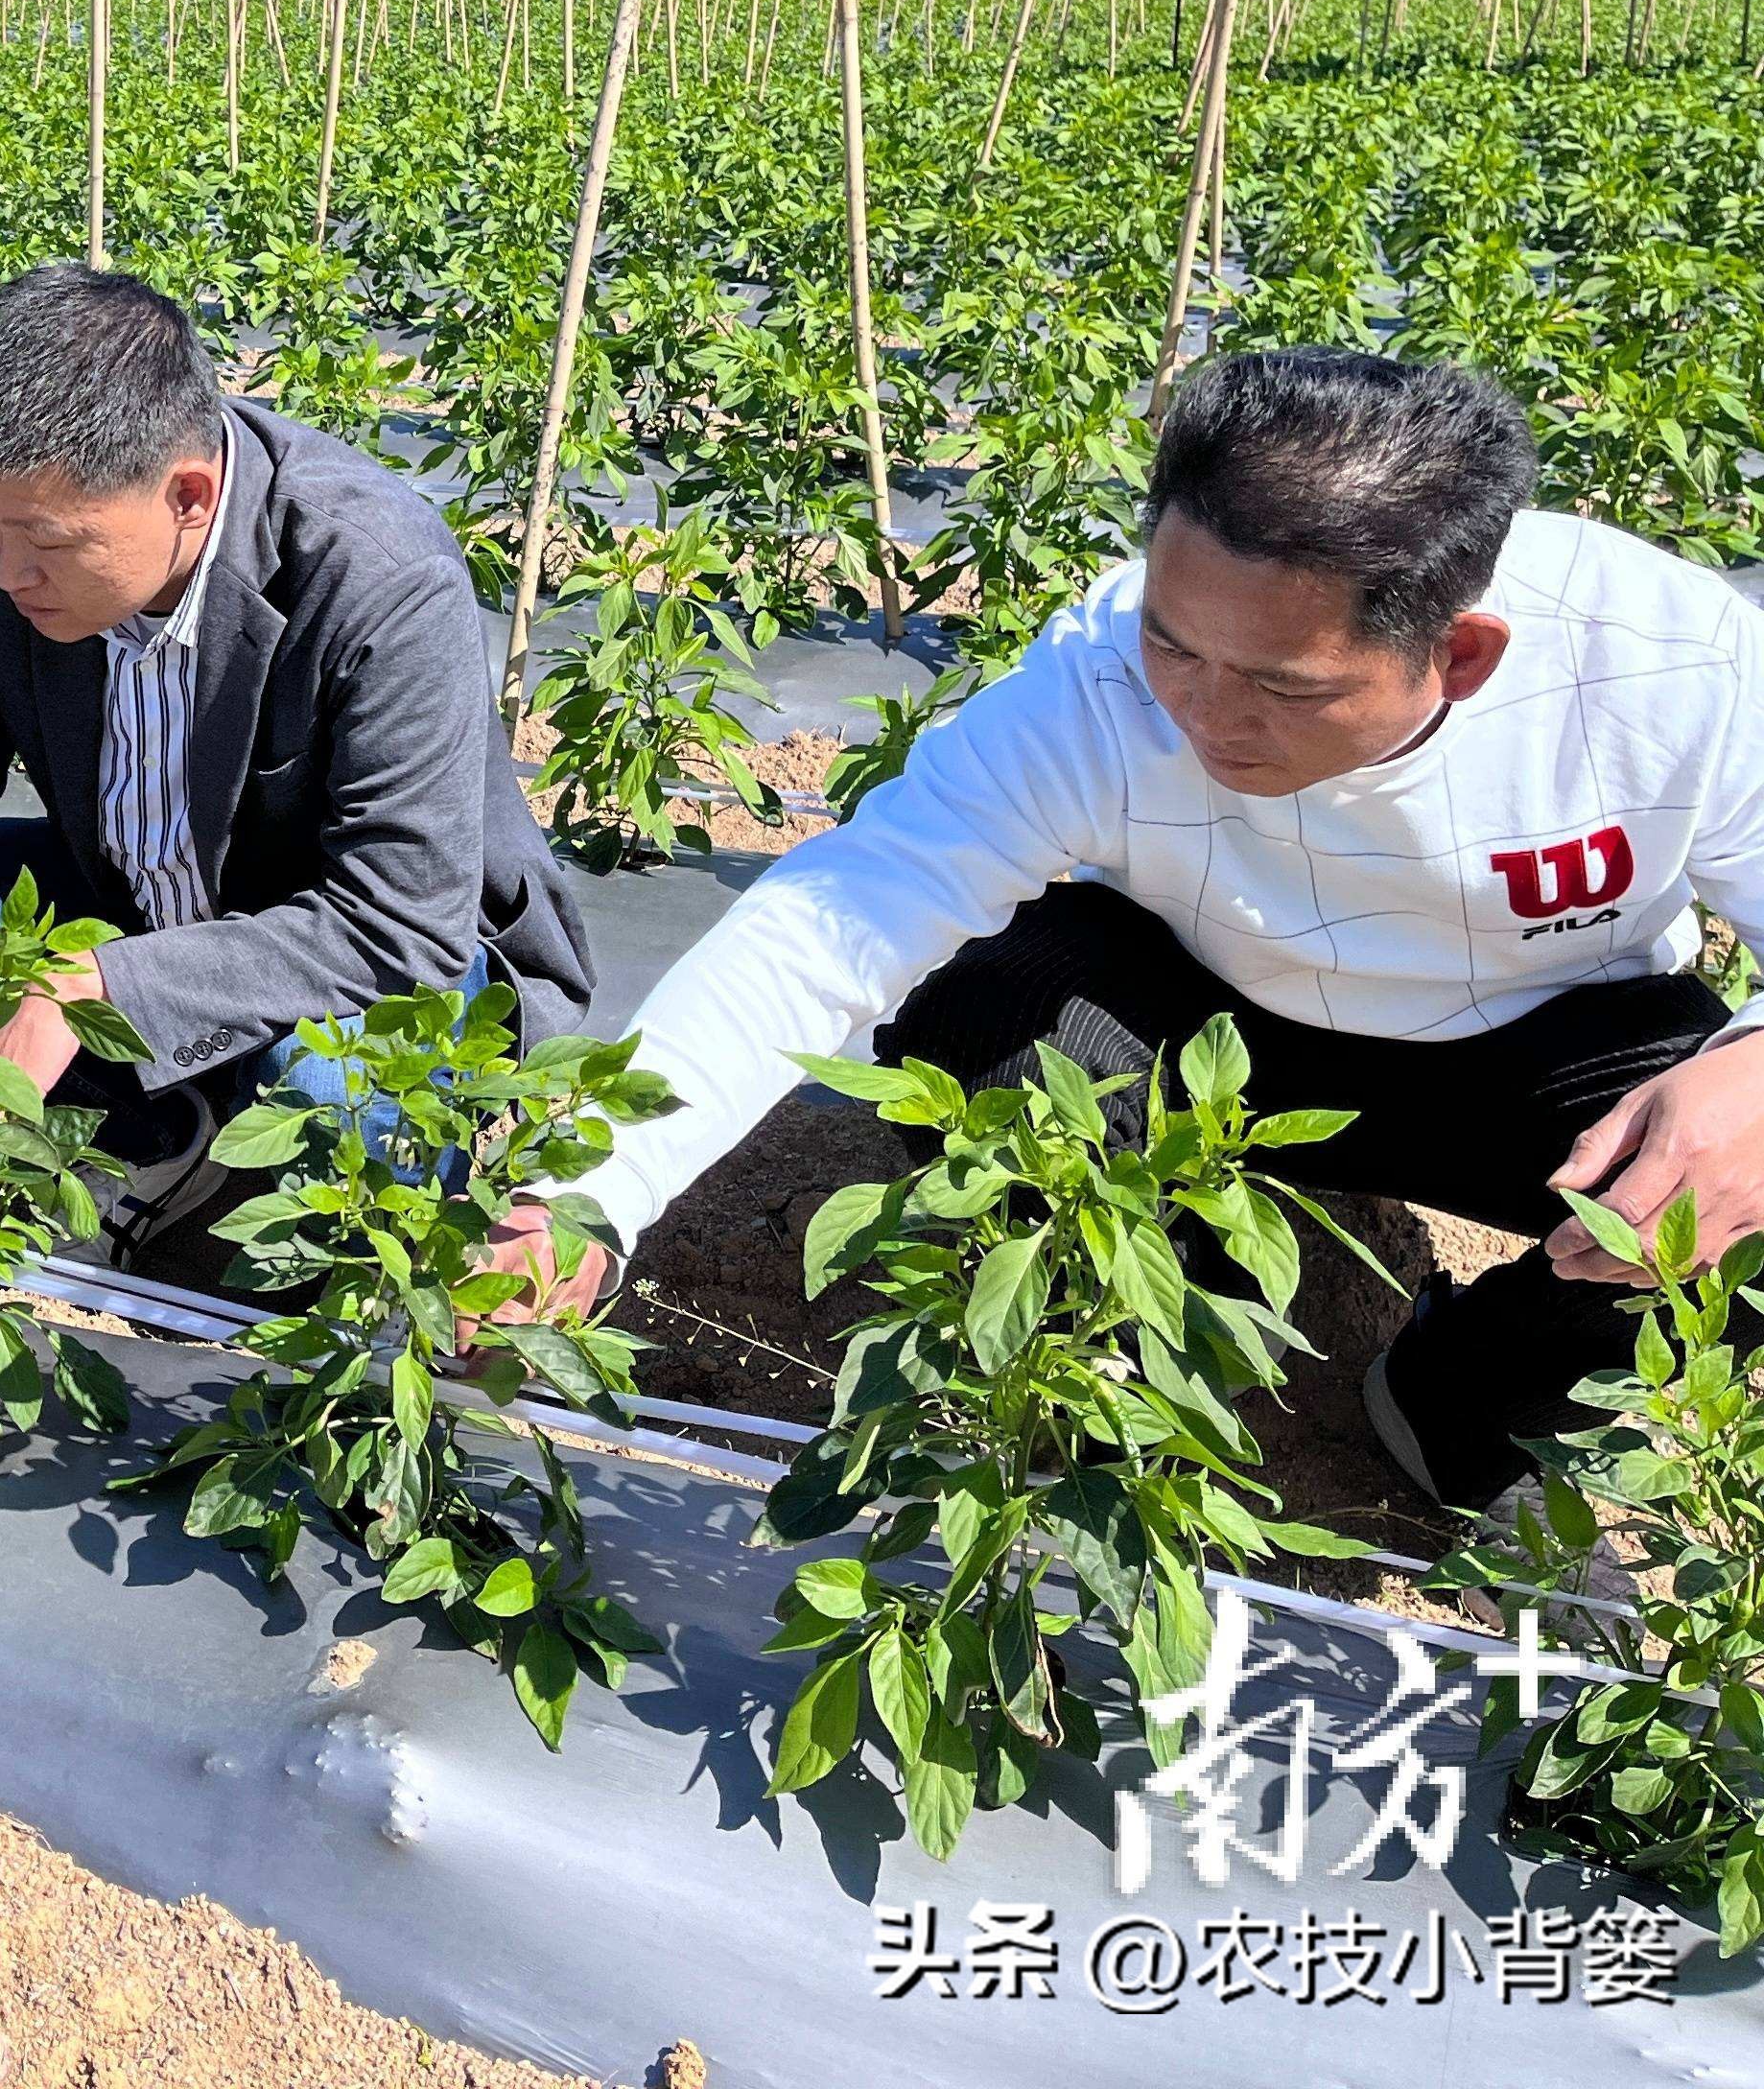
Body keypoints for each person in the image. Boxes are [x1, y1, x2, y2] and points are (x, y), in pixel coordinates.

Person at [520, 348, 1764, 1510]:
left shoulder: (1670, 670)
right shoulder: (1106, 673)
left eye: (1287, 686)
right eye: (1176, 644)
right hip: (1196, 1016)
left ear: (1463, 655)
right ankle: (1118, 1366)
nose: (1205, 715)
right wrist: (588, 1191)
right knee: (978, 1015)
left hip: (1529, 1049)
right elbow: (843, 916)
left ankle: (1454, 1407)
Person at [0, 264, 593, 1281]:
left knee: (333, 1093)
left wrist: (98, 987)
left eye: (45, 544)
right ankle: (127, 1139)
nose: (6, 574)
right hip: (128, 899)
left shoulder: (376, 575)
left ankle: (245, 1238)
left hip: (349, 956)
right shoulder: (16, 531)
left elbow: (399, 922)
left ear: (188, 495)